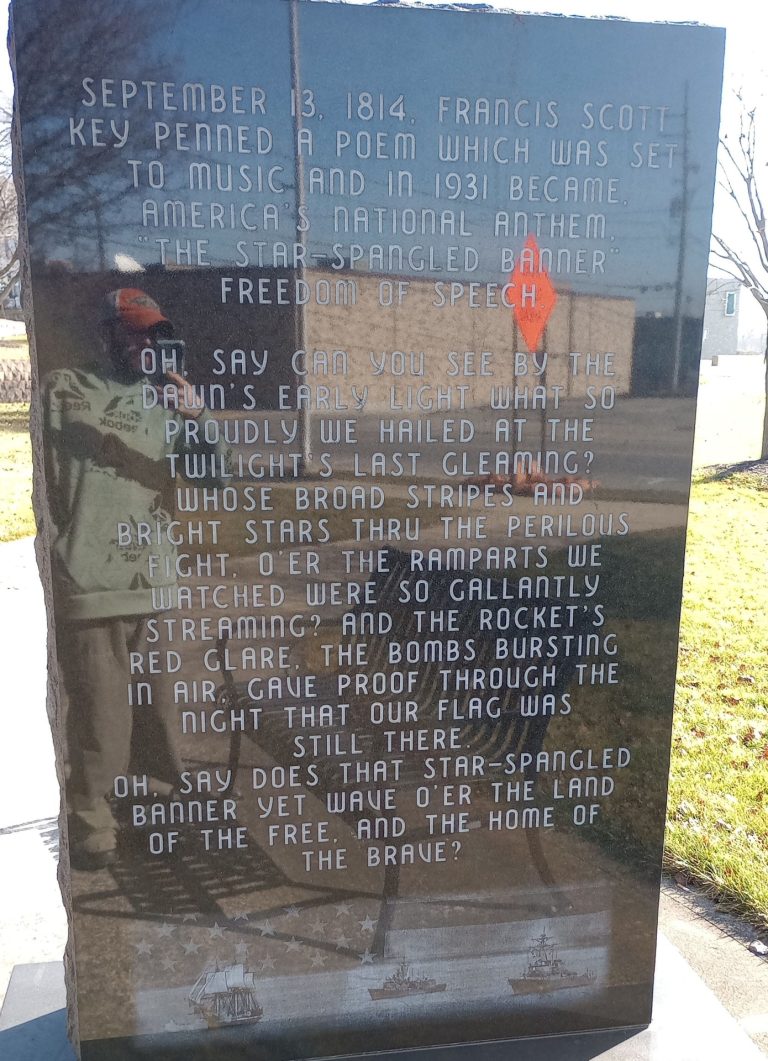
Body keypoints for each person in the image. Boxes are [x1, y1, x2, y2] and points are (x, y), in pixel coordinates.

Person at [43, 288, 225, 869]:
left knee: (160, 710)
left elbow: (212, 480)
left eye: (155, 332)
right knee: (101, 716)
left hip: (153, 576)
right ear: (109, 333)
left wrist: (196, 418)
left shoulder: (167, 400)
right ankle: (93, 827)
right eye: (135, 332)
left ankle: (161, 809)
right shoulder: (66, 388)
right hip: (92, 577)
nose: (147, 343)